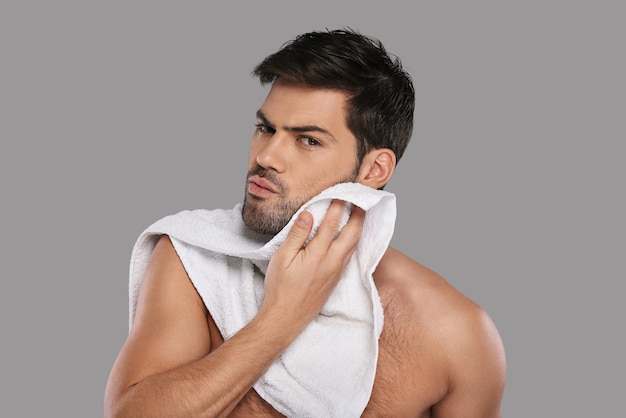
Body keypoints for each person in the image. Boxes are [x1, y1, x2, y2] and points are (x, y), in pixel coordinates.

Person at [104, 28, 506, 417]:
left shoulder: (457, 333)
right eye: (266, 128)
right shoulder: (192, 259)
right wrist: (283, 316)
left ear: (374, 170)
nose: (267, 157)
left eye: (308, 140)